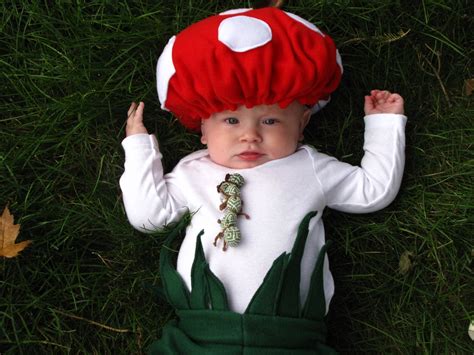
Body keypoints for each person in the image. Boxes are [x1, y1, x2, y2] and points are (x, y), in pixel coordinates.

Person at [120, 5, 406, 354]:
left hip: (290, 336)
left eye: (270, 121)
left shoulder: (310, 168)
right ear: (202, 130)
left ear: (301, 125)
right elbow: (149, 216)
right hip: (203, 332)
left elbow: (372, 191)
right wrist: (138, 146)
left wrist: (384, 125)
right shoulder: (193, 173)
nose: (250, 136)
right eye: (230, 121)